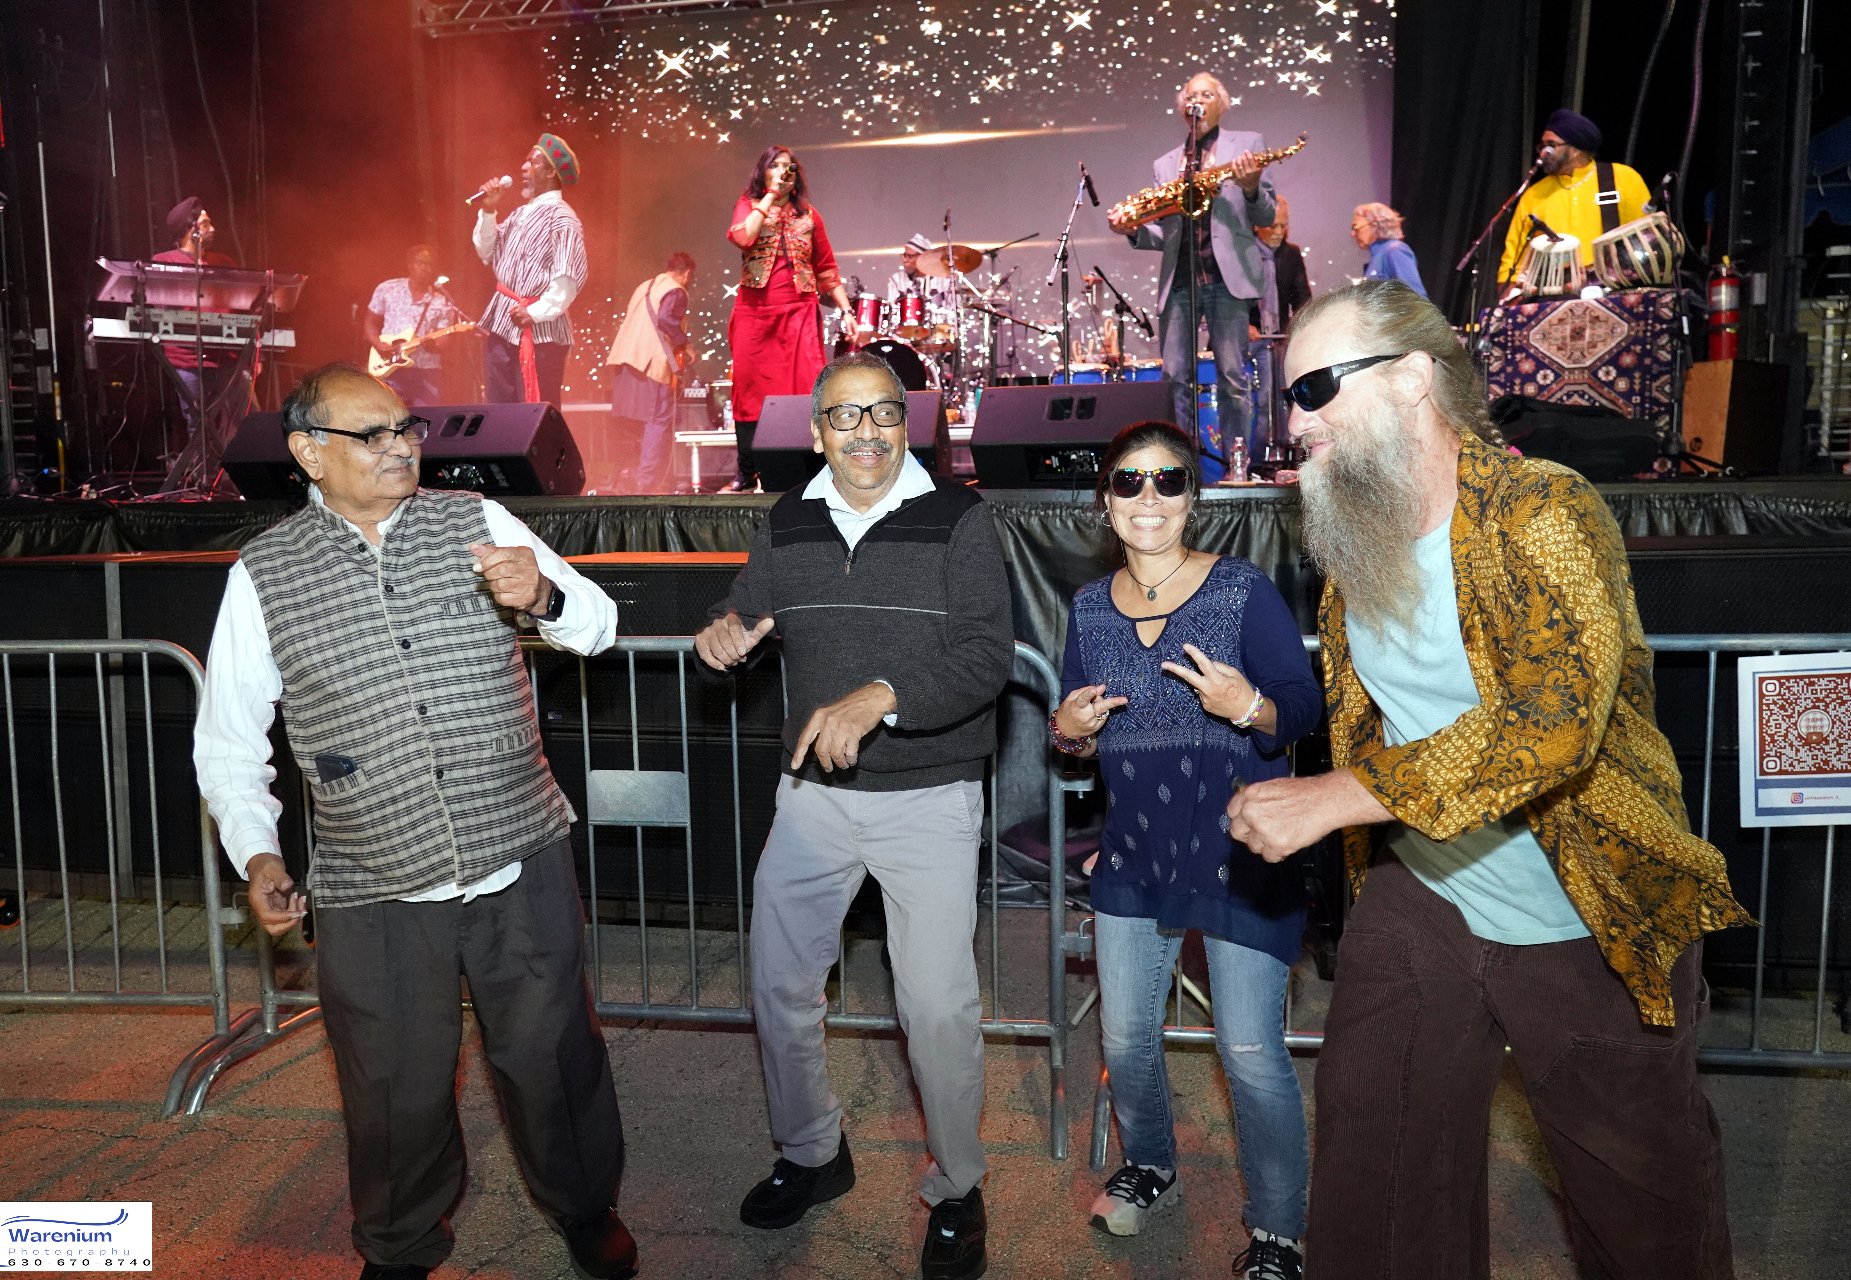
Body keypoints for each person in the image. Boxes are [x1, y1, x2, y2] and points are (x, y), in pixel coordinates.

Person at [1225, 280, 1748, 1279]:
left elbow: (1555, 719)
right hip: (1428, 889)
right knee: (1375, 1162)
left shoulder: (1542, 507)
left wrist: (1341, 794)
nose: (1295, 420)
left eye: (1319, 385)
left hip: (1586, 900)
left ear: (1418, 377)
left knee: (1642, 1200)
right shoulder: (1355, 532)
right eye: (1288, 394)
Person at [192, 363, 639, 1280]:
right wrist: (259, 852)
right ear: (310, 453)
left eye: (407, 430)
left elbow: (596, 625)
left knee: (553, 1053)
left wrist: (546, 598)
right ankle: (399, 1245)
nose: (401, 448)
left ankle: (586, 1205)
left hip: (517, 848)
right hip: (372, 876)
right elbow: (230, 739)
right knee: (392, 1082)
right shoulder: (265, 573)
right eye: (374, 435)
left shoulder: (476, 520)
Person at [693, 351, 1012, 1280]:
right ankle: (811, 1153)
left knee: (938, 1008)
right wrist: (728, 628)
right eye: (844, 416)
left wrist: (883, 693)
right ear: (817, 430)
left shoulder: (960, 518)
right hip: (813, 801)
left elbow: (988, 654)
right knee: (781, 986)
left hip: (930, 796)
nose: (865, 432)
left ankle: (958, 1186)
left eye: (882, 413)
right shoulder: (788, 519)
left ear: (908, 422)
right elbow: (750, 607)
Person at [1052, 420, 1320, 1280]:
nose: (1149, 499)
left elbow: (1300, 709)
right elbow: (1072, 725)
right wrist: (1070, 730)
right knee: (1127, 1037)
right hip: (1134, 848)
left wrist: (1248, 707)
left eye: (1169, 481)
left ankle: (1277, 1231)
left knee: (1248, 1049)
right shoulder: (1089, 610)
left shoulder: (1241, 591)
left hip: (1241, 845)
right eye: (1129, 482)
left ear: (1193, 500)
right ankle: (1152, 1167)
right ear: (1106, 504)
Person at [1109, 71, 1276, 466]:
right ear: (1182, 108)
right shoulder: (1166, 163)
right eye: (1190, 95)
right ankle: (1180, 466)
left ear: (1221, 103)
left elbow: (1266, 212)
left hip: (1227, 278)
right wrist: (1131, 229)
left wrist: (1251, 186)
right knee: (1174, 380)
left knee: (1232, 378)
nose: (1195, 100)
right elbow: (1163, 235)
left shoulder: (1248, 144)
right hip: (1180, 280)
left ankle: (1239, 467)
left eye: (1205, 94)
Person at [721, 146, 858, 492]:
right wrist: (769, 197)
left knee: (807, 387)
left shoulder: (810, 215)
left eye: (789, 167)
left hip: (798, 312)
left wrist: (846, 310)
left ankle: (814, 469)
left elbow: (826, 269)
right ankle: (747, 472)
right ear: (763, 172)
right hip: (755, 313)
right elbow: (743, 236)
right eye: (776, 166)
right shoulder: (749, 205)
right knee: (749, 390)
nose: (783, 172)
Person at [474, 133, 589, 405]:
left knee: (534, 414)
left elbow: (567, 278)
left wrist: (535, 312)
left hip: (540, 334)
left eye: (532, 163)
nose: (523, 169)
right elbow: (485, 251)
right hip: (504, 326)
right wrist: (489, 211)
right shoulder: (519, 214)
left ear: (550, 171)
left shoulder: (562, 217)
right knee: (500, 411)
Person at [1497, 109, 1651, 297]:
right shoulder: (1535, 194)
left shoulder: (1622, 178)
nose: (1543, 153)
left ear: (1576, 149)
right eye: (1542, 146)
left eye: (1552, 145)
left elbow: (1647, 238)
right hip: (1551, 299)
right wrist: (1508, 294)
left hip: (1616, 293)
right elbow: (1514, 256)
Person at [603, 252, 696, 492]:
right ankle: (647, 483)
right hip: (649, 365)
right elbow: (666, 319)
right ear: (687, 274)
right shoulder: (677, 291)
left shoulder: (645, 286)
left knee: (632, 425)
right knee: (658, 421)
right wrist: (684, 344)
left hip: (626, 362)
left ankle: (623, 479)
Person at [153, 197, 244, 439]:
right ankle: (206, 474)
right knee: (199, 426)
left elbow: (246, 310)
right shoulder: (164, 262)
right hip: (187, 359)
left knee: (243, 422)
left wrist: (255, 356)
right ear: (188, 229)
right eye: (205, 224)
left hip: (228, 358)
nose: (212, 229)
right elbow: (159, 312)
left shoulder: (224, 263)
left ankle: (235, 476)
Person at [364, 244, 464, 407]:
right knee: (389, 418)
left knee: (427, 422)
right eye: (420, 263)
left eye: (429, 264)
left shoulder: (442, 301)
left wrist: (433, 346)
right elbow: (370, 321)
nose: (424, 268)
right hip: (390, 367)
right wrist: (377, 343)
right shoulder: (387, 289)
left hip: (426, 370)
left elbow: (444, 341)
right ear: (410, 264)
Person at [1257, 196, 1311, 335]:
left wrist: (1302, 327)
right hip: (1245, 335)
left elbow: (1301, 298)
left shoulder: (1291, 253)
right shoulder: (1242, 253)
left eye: (1284, 225)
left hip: (1279, 334)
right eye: (1273, 226)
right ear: (1256, 224)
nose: (1279, 232)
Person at [1350, 203, 1426, 297]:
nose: (1352, 234)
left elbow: (1415, 296)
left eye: (1355, 227)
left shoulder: (1394, 251)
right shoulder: (1380, 254)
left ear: (1376, 224)